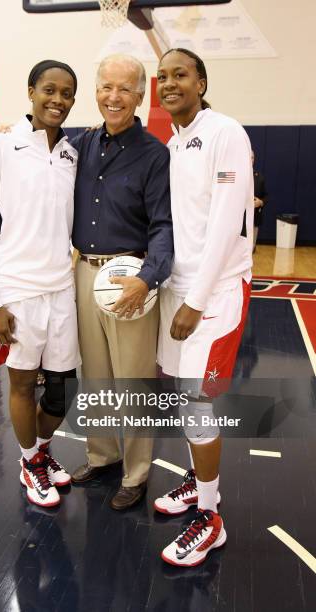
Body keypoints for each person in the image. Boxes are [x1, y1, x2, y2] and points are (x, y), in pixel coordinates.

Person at [153, 48, 253, 566]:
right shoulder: (173, 142)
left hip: (213, 294)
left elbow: (224, 224)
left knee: (198, 405)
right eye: (163, 76)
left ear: (202, 81)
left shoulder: (225, 132)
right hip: (180, 288)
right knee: (183, 397)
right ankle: (198, 482)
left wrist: (194, 300)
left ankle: (211, 519)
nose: (170, 83)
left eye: (181, 75)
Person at [0, 60, 81, 509]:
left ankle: (41, 450)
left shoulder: (74, 152)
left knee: (62, 388)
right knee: (21, 386)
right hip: (16, 288)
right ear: (31, 90)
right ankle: (29, 460)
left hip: (62, 288)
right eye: (49, 90)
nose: (57, 99)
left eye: (67, 93)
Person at [71, 54, 173, 510]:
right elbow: (37, 147)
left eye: (125, 89)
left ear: (140, 95)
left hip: (129, 278)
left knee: (131, 380)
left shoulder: (155, 155)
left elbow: (165, 226)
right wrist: (10, 131)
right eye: (106, 87)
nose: (114, 97)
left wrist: (148, 279)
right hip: (83, 272)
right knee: (93, 376)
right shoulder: (83, 144)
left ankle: (136, 473)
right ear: (96, 90)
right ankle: (102, 455)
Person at [252, 150, 268, 251]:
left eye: (252, 157)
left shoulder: (259, 177)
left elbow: (266, 196)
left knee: (251, 249)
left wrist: (261, 202)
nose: (250, 160)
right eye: (248, 157)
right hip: (238, 218)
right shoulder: (235, 175)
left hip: (254, 217)